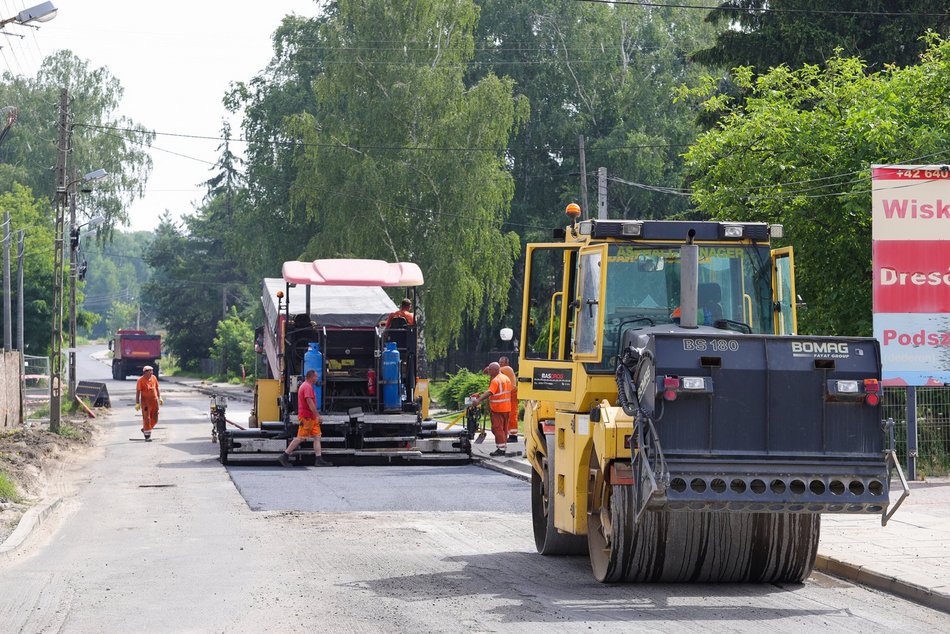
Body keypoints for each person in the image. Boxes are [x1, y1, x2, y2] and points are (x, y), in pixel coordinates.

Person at [278, 369, 332, 467]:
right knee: (300, 438)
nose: (317, 378)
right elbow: (310, 403)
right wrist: (318, 416)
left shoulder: (307, 386)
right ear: (311, 377)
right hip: (307, 418)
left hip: (311, 418)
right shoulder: (307, 387)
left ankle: (318, 459)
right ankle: (284, 456)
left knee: (317, 436)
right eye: (315, 376)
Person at [472, 362, 512, 457]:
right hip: (506, 408)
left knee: (497, 429)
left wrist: (478, 400)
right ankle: (503, 446)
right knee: (503, 429)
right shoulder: (505, 378)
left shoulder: (496, 380)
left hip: (498, 409)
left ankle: (501, 449)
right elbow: (497, 391)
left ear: (495, 370)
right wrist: (482, 394)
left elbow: (490, 392)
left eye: (490, 370)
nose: (489, 372)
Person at [135, 365, 162, 441]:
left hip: (154, 401)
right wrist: (137, 403)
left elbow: (157, 388)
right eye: (149, 371)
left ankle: (145, 429)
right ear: (145, 372)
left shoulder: (154, 378)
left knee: (155, 418)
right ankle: (147, 436)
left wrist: (160, 398)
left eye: (151, 371)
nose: (151, 372)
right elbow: (138, 392)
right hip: (145, 402)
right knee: (147, 419)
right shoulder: (140, 380)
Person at [498, 356, 519, 443]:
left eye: (502, 362)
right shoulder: (502, 372)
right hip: (508, 395)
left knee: (512, 415)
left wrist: (488, 368)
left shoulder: (507, 369)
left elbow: (493, 369)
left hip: (512, 394)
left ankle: (513, 436)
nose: (500, 364)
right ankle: (509, 434)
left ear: (507, 363)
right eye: (499, 362)